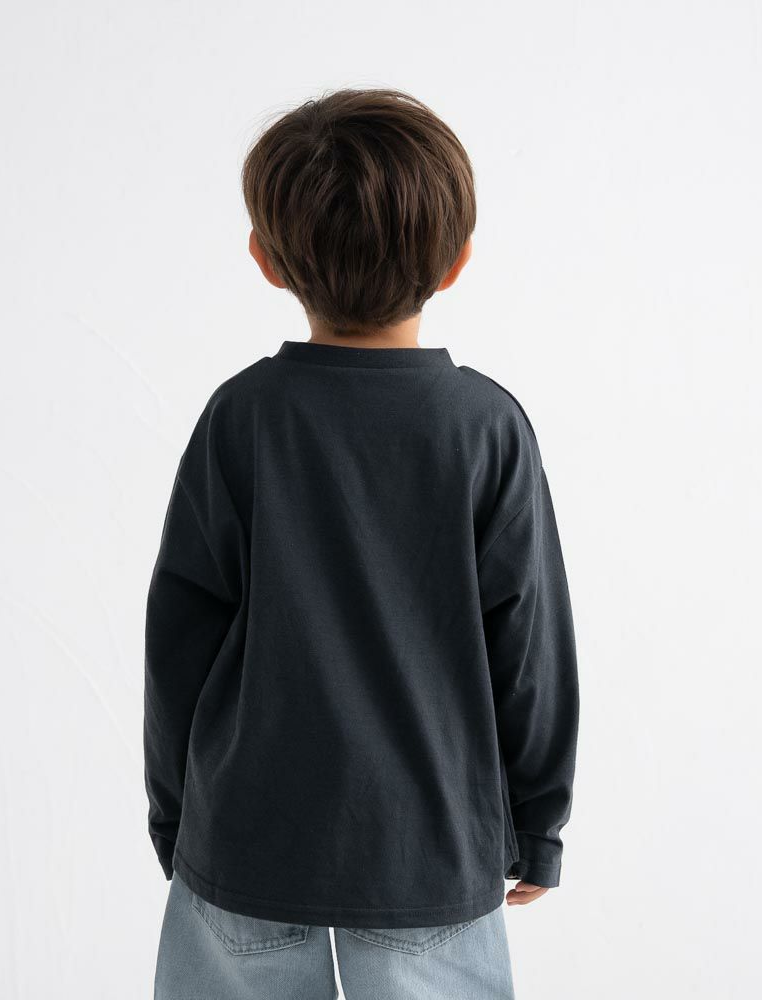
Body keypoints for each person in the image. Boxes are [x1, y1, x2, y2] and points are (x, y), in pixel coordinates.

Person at [144, 87, 580, 1000]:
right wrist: (539, 824)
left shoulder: (241, 419)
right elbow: (528, 643)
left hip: (245, 840)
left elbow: (179, 633)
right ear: (458, 262)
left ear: (265, 260)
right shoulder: (484, 429)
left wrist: (177, 818)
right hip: (430, 851)